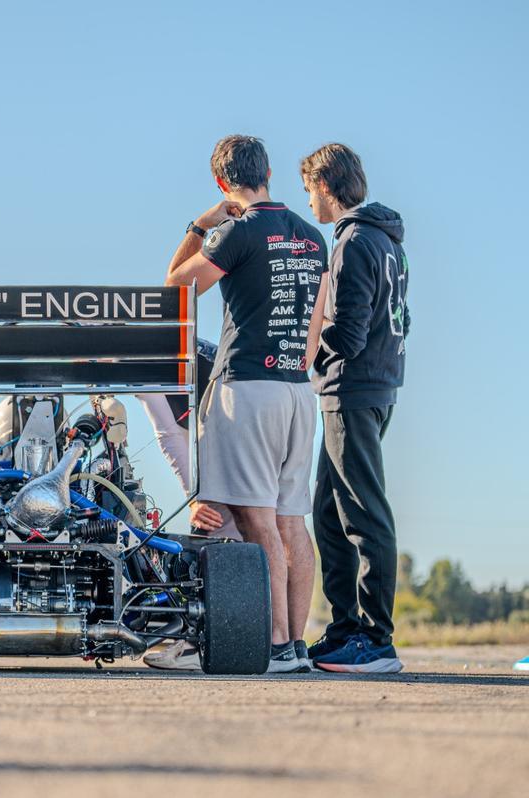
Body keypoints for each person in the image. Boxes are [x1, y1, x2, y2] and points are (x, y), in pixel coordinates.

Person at [164, 135, 328, 673]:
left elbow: (175, 290)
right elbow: (314, 327)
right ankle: (296, 644)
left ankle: (277, 646)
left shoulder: (236, 231)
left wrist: (199, 225)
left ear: (222, 183)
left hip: (249, 389)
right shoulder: (311, 236)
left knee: (257, 523)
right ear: (270, 172)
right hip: (298, 390)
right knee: (290, 522)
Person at [301, 143, 409, 674]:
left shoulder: (353, 241)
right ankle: (346, 627)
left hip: (353, 390)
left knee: (363, 513)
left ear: (325, 186)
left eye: (309, 192)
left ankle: (375, 639)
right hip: (375, 387)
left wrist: (306, 339)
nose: (311, 205)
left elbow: (347, 331)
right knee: (328, 512)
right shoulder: (387, 240)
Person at [140, 341, 241, 671]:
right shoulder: (177, 341)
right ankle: (283, 641)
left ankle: (197, 643)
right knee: (274, 526)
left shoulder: (138, 358)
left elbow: (169, 433)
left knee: (211, 534)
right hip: (271, 410)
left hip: (233, 426)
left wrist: (194, 496)